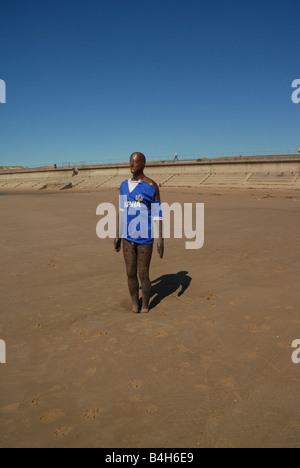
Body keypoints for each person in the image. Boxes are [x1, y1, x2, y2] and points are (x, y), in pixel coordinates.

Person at [114, 152, 164, 313]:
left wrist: (160, 239)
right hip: (127, 237)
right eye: (130, 162)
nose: (131, 165)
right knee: (130, 272)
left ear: (143, 163)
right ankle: (135, 302)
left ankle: (145, 304)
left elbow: (157, 214)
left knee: (143, 274)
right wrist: (117, 234)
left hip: (145, 237)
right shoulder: (123, 186)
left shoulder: (152, 186)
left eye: (134, 162)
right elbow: (122, 211)